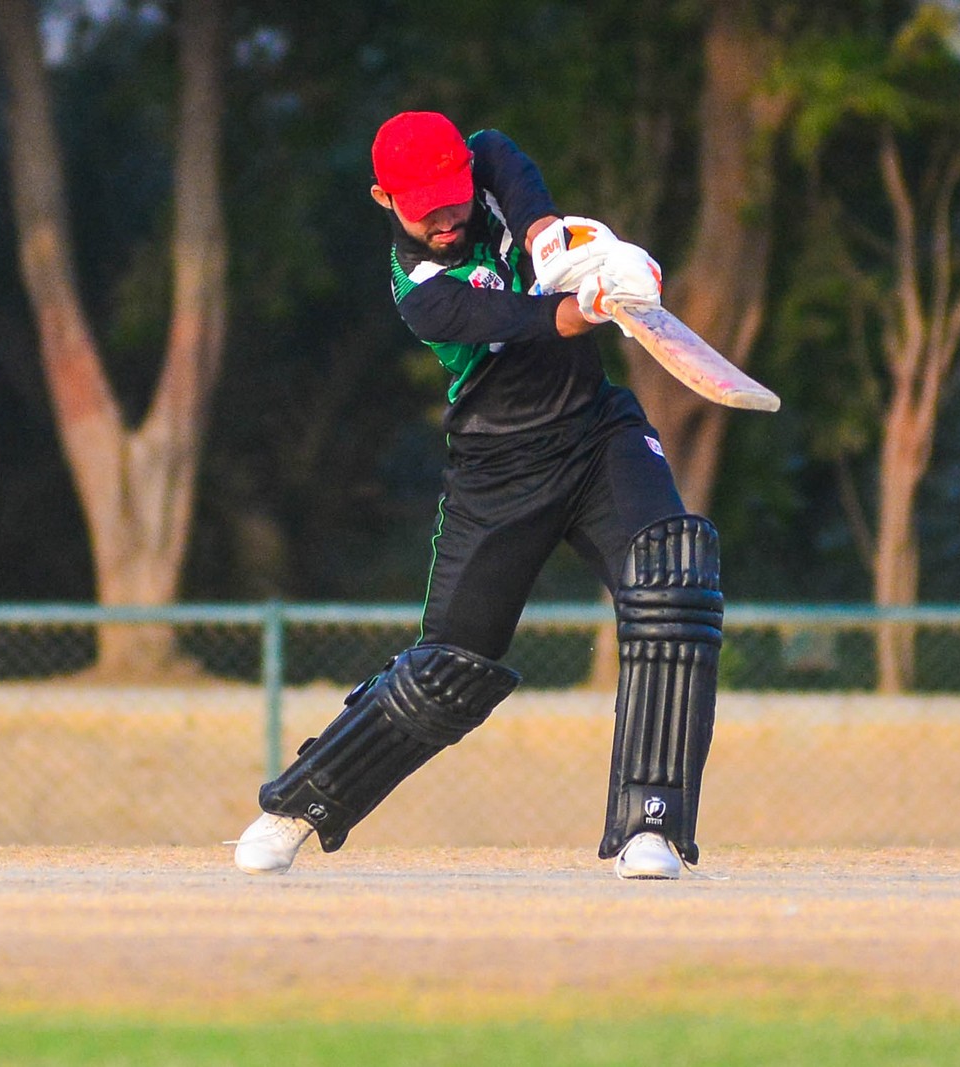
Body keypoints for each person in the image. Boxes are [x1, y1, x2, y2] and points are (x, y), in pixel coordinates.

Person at [232, 111, 725, 881]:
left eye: (453, 196)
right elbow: (537, 318)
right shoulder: (421, 294)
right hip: (498, 470)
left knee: (674, 580)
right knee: (447, 669)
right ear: (383, 199)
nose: (445, 217)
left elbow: (512, 176)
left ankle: (650, 826)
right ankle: (299, 805)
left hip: (599, 436)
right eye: (423, 207)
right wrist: (593, 302)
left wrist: (555, 242)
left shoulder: (486, 162)